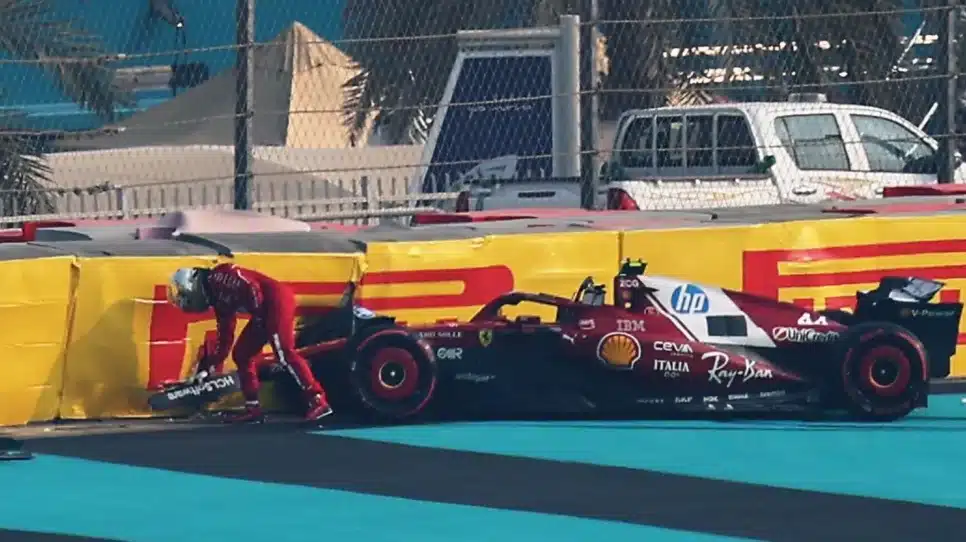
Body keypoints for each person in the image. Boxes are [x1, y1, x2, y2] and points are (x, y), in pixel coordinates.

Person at [167, 263, 333, 423]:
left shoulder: (219, 276)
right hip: (263, 310)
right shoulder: (219, 301)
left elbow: (251, 286)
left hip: (276, 302)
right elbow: (225, 338)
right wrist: (208, 367)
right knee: (242, 355)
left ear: (193, 284)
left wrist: (259, 316)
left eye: (184, 295)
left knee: (284, 353)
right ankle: (252, 407)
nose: (185, 301)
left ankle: (317, 399)